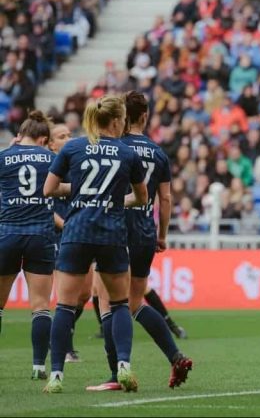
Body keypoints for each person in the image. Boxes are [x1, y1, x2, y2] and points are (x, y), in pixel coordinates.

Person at [87, 91, 193, 392]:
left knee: (108, 303)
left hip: (115, 229)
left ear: (120, 116)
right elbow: (166, 198)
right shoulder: (158, 152)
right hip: (145, 233)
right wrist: (162, 234)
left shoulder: (115, 148)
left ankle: (115, 373)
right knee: (134, 303)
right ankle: (176, 356)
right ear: (145, 117)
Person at [42, 94, 148, 393]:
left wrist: (81, 194)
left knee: (64, 305)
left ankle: (56, 375)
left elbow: (49, 189)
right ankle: (124, 366)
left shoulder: (74, 146)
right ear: (117, 120)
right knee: (118, 305)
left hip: (76, 232)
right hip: (111, 234)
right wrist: (116, 199)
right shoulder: (128, 154)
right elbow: (142, 197)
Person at [0, 112, 59, 380]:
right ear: (44, 138)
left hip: (7, 233)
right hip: (40, 235)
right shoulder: (51, 158)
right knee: (40, 306)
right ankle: (38, 366)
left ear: (21, 133)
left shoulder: (3, 158)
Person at [48, 124, 90, 364]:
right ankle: (64, 346)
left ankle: (57, 337)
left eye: (69, 135)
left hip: (82, 232)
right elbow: (47, 204)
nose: (67, 139)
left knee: (85, 293)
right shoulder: (51, 167)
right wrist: (66, 225)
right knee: (67, 296)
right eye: (61, 137)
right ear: (51, 144)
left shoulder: (77, 163)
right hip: (60, 235)